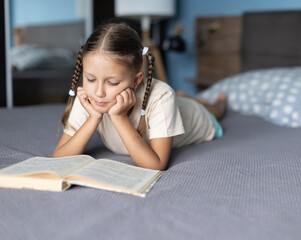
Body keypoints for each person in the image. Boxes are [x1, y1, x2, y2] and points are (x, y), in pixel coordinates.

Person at [53, 21, 227, 170]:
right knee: (183, 101)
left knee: (213, 111)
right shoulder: (89, 98)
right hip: (174, 108)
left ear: (136, 81)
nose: (98, 92)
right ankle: (186, 97)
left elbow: (156, 164)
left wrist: (119, 117)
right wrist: (94, 117)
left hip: (196, 117)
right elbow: (59, 157)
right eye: (90, 79)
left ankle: (218, 101)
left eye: (112, 83)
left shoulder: (162, 96)